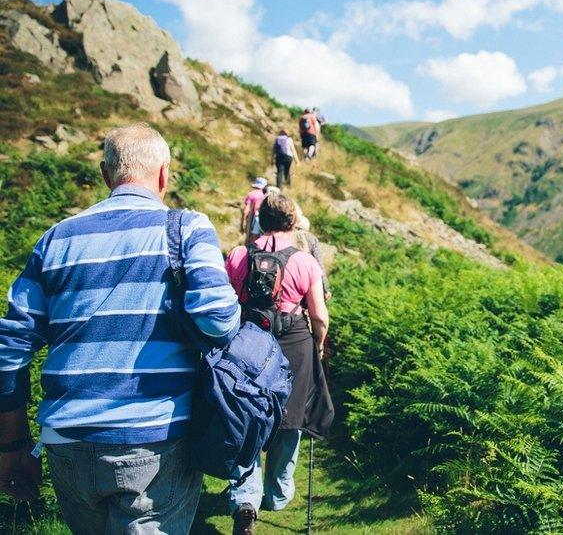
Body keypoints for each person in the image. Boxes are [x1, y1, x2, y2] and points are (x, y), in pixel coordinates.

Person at [0, 123, 241, 534]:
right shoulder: (187, 228)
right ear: (164, 174)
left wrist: (11, 446)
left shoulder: (54, 240)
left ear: (105, 174)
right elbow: (217, 320)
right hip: (155, 440)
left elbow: (9, 349)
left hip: (67, 442)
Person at [224, 193, 329, 535]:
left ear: (260, 220)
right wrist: (319, 344)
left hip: (250, 342)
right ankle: (279, 494)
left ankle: (245, 498)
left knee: (248, 416)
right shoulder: (304, 261)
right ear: (292, 222)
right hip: (295, 343)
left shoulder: (239, 255)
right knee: (291, 417)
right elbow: (319, 315)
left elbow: (226, 304)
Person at [242, 177, 268, 244]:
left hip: (254, 219)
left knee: (252, 238)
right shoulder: (265, 195)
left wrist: (242, 223)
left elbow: (246, 210)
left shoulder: (251, 194)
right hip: (265, 219)